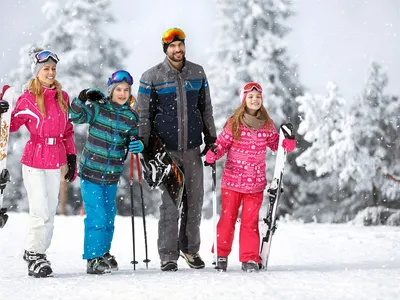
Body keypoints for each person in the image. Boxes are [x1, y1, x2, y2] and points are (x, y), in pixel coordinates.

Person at [136, 27, 217, 271]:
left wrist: (211, 139)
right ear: (165, 48)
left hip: (192, 149)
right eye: (172, 46)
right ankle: (168, 255)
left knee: (195, 202)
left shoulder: (197, 73)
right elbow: (144, 116)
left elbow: (206, 109)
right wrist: (145, 146)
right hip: (166, 152)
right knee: (171, 205)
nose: (177, 49)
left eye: (180, 45)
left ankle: (190, 250)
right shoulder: (151, 77)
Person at [205, 82, 296, 272]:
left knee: (250, 222)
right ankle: (221, 254)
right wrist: (214, 153)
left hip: (255, 184)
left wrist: (287, 143)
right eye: (250, 96)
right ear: (244, 100)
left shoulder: (267, 124)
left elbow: (275, 145)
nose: (254, 100)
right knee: (227, 219)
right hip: (232, 181)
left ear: (261, 100)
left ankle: (249, 258)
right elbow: (222, 143)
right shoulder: (234, 122)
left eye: (258, 97)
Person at [10, 47, 77, 278]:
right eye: (46, 69)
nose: (50, 73)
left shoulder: (62, 97)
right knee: (39, 210)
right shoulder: (27, 98)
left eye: (53, 68)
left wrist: (71, 156)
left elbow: (67, 130)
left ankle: (38, 252)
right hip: (34, 159)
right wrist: (3, 111)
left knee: (49, 211)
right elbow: (10, 125)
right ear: (37, 72)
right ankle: (35, 253)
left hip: (55, 159)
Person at [69, 70, 144, 275]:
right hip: (91, 172)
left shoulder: (131, 116)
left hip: (112, 175)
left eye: (126, 90)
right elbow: (74, 116)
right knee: (97, 216)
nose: (122, 93)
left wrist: (138, 144)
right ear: (110, 90)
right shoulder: (98, 109)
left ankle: (104, 252)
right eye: (118, 89)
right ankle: (93, 257)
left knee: (109, 216)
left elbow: (134, 138)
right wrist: (83, 97)